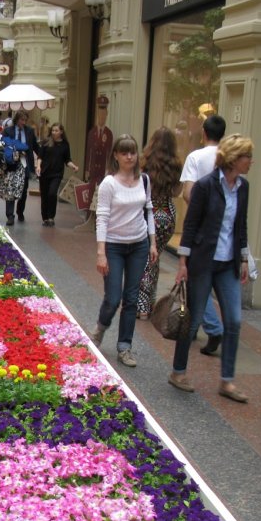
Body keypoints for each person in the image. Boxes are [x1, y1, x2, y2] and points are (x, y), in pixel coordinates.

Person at [168, 134, 254, 402]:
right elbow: (191, 224)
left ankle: (227, 381)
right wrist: (183, 262)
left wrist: (243, 258)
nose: (251, 161)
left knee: (234, 320)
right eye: (247, 156)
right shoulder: (206, 186)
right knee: (192, 320)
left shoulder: (243, 187)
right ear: (233, 158)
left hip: (227, 263)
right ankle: (178, 371)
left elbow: (241, 224)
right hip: (203, 261)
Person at [89, 134, 157, 368]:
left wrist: (153, 243)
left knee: (131, 299)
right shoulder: (109, 183)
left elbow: (149, 211)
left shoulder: (144, 180)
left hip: (139, 244)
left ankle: (124, 347)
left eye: (133, 152)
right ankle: (100, 327)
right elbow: (102, 217)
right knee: (113, 297)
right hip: (115, 245)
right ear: (116, 156)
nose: (129, 156)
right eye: (124, 152)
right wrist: (101, 251)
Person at [180, 114, 227, 356]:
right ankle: (204, 323)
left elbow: (188, 192)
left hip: (200, 228)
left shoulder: (196, 157)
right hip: (223, 231)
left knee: (197, 279)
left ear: (204, 134)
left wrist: (201, 209)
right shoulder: (229, 158)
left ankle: (211, 325)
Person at [136, 127, 183, 316]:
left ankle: (142, 304)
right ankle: (150, 299)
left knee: (145, 258)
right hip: (167, 214)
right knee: (155, 258)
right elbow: (177, 192)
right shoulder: (176, 165)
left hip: (150, 212)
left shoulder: (145, 162)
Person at [2, 110, 39, 226]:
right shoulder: (8, 131)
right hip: (12, 164)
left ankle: (20, 211)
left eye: (25, 120)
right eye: (21, 119)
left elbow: (35, 147)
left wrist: (43, 155)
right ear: (16, 119)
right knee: (11, 189)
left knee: (23, 190)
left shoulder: (29, 131)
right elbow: (3, 145)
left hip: (25, 164)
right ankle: (10, 215)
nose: (23, 122)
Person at [36, 123, 78, 226]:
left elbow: (67, 160)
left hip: (57, 174)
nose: (54, 132)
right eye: (53, 130)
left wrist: (73, 166)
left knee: (52, 193)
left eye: (56, 130)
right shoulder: (46, 142)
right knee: (44, 195)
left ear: (61, 132)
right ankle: (45, 217)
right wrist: (38, 166)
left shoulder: (65, 145)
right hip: (45, 173)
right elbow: (40, 156)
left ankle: (51, 217)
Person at [84, 95, 113, 205]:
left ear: (106, 115)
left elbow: (109, 153)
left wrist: (109, 169)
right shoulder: (92, 133)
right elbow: (88, 152)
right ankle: (89, 218)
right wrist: (87, 169)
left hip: (102, 170)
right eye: (99, 114)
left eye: (103, 114)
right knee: (91, 194)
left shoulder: (109, 134)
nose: (101, 117)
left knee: (101, 195)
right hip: (93, 170)